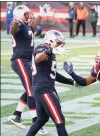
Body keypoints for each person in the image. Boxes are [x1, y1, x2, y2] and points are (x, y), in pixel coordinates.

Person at [7, 4, 50, 134]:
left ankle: (16, 115)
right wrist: (15, 22)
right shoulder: (18, 26)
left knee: (32, 86)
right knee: (32, 89)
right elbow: (13, 30)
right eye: (26, 14)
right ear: (19, 16)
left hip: (27, 60)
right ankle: (36, 122)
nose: (28, 16)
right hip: (19, 60)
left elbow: (33, 25)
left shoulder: (26, 25)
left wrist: (41, 15)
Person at [26, 30, 74, 136]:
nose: (60, 45)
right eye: (58, 42)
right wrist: (50, 51)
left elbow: (53, 74)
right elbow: (38, 58)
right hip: (44, 90)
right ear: (50, 40)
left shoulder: (48, 51)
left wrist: (72, 82)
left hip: (42, 89)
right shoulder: (42, 48)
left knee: (41, 119)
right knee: (59, 120)